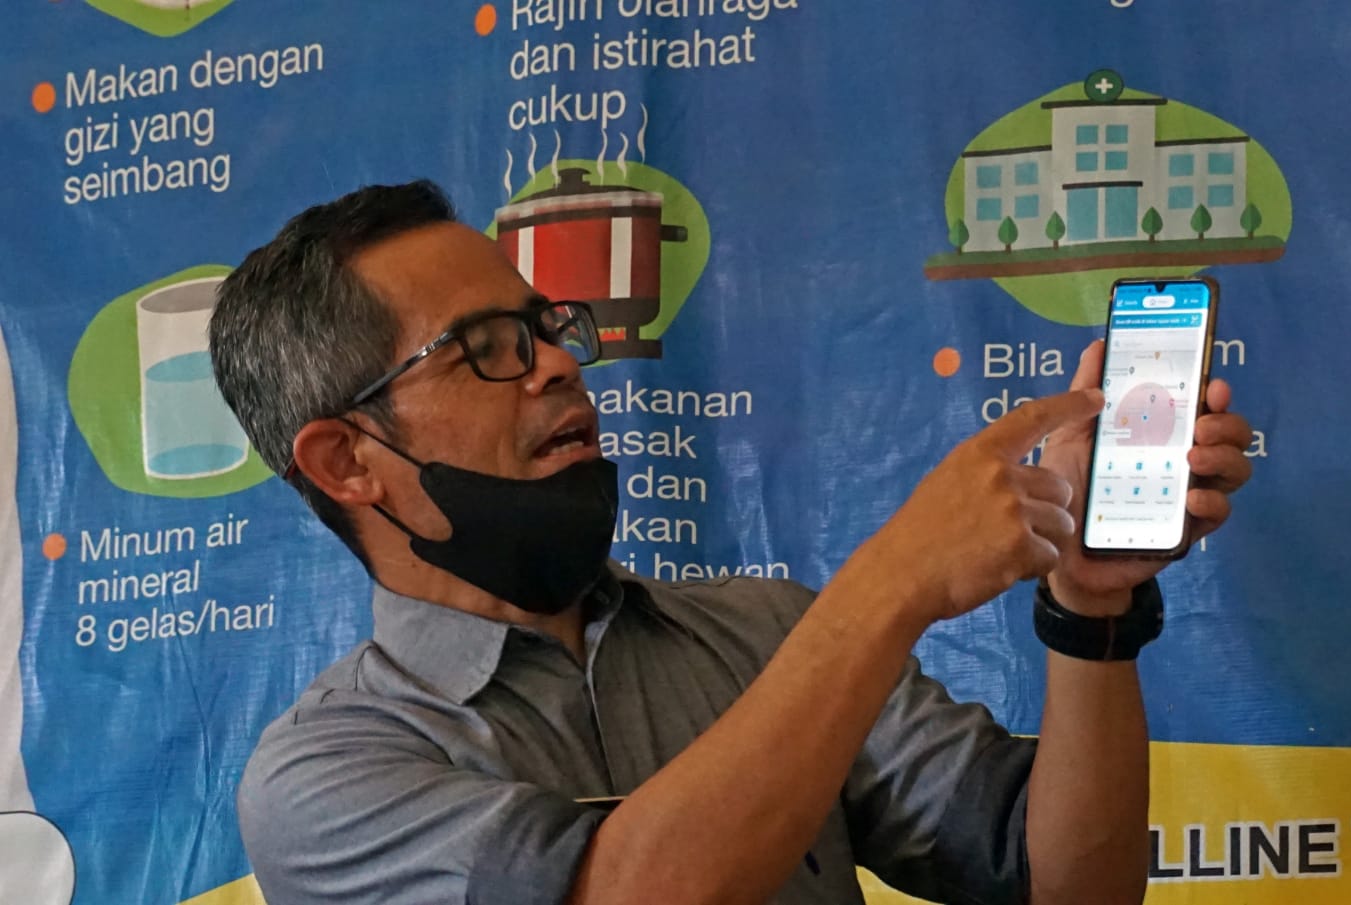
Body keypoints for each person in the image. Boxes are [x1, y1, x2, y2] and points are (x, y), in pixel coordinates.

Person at [212, 181, 1254, 905]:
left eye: (546, 327)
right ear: (345, 460)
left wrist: (1089, 604)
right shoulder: (324, 778)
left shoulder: (765, 631)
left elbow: (1074, 882)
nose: (558, 365)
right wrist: (893, 580)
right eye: (486, 348)